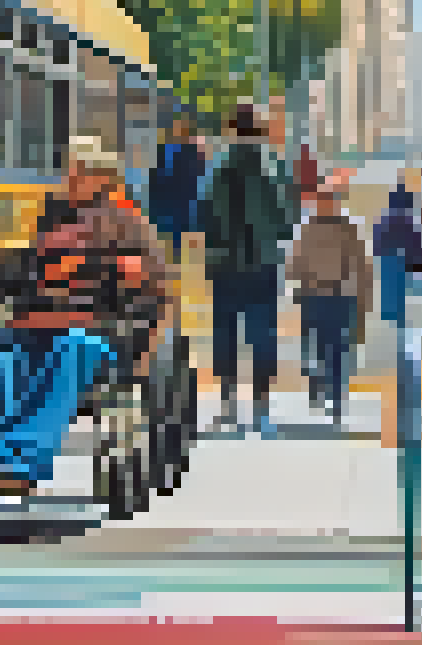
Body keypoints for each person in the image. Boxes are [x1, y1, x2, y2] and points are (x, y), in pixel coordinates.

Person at [0, 138, 170, 496]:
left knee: (70, 349)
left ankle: (16, 462)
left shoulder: (126, 218)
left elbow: (155, 284)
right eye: (68, 171)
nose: (70, 179)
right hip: (39, 323)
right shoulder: (50, 215)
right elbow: (29, 268)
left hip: (102, 330)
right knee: (0, 356)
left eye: (80, 172)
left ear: (102, 177)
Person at [200, 103, 296, 435]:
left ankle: (228, 406)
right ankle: (261, 409)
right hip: (264, 264)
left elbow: (204, 214)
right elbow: (288, 217)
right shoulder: (276, 166)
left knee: (225, 333)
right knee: (263, 335)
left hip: (225, 264)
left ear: (231, 128)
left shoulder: (216, 166)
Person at [289, 182, 372, 425]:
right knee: (323, 349)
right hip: (319, 297)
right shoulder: (318, 229)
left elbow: (360, 267)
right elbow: (295, 265)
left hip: (333, 297)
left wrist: (361, 299)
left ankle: (335, 398)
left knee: (334, 351)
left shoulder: (340, 229)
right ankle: (323, 386)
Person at [372, 184, 422, 359]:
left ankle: (393, 347)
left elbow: (377, 246)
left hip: (389, 268)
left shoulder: (384, 221)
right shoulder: (411, 222)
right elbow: (419, 249)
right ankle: (405, 349)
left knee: (392, 312)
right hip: (408, 271)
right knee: (407, 317)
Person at [148, 116, 209, 255]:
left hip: (181, 204)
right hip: (173, 204)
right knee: (171, 238)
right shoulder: (167, 151)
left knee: (176, 239)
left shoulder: (190, 152)